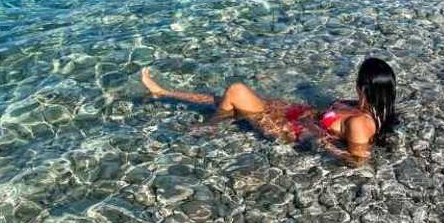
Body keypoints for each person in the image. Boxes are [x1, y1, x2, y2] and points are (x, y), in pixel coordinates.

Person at [139, 56, 396, 165]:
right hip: (293, 113)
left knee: (235, 92)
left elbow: (356, 161)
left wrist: (316, 139)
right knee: (227, 97)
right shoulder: (358, 107)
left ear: (365, 87)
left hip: (290, 129)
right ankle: (163, 93)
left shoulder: (362, 123)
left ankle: (208, 128)